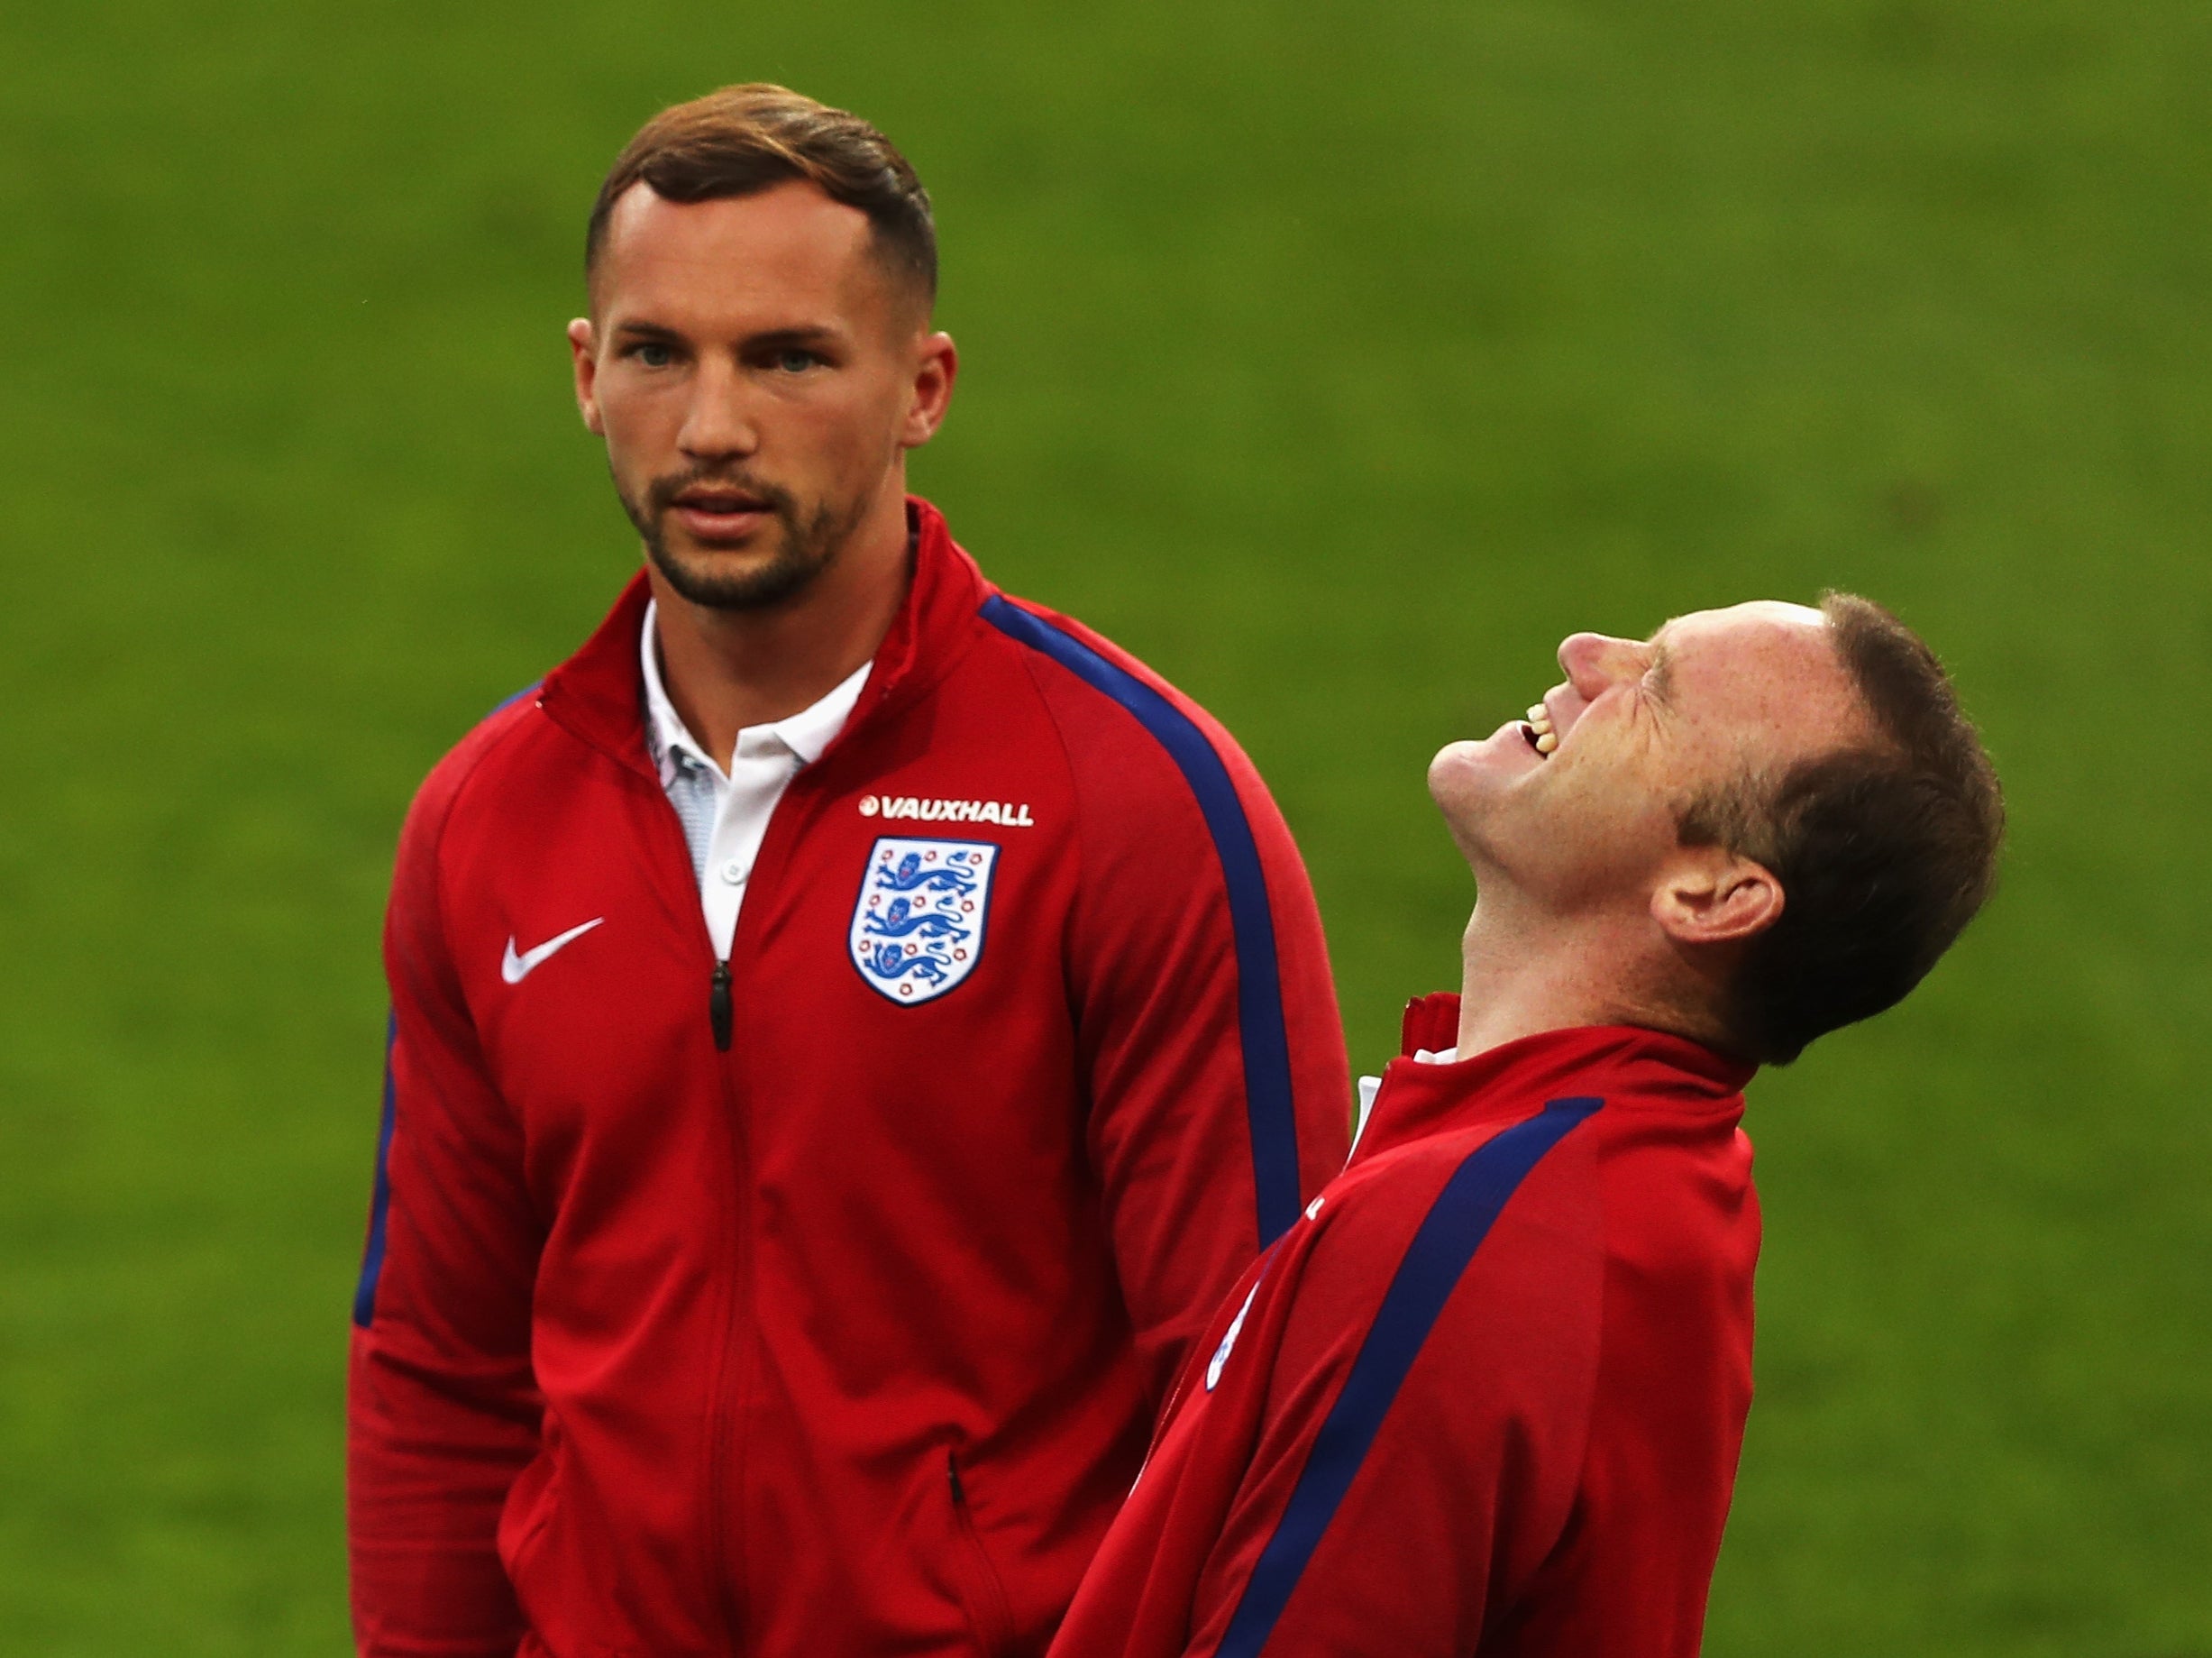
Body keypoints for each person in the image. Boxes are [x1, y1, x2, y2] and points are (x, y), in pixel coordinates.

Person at [346, 85, 1350, 1658]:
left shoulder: (1135, 799)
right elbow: (439, 1361)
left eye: (789, 357)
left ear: (920, 386)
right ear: (581, 373)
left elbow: (1254, 1382)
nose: (712, 427)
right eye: (655, 352)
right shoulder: (487, 817)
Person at [1047, 595, 2005, 1658]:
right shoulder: (1639, 1175)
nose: (1584, 652)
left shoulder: (1482, 1234)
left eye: (1656, 690)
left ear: (1712, 893)